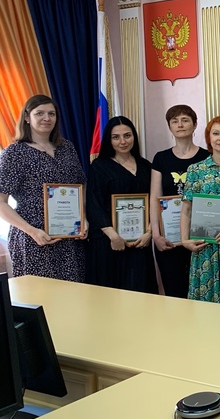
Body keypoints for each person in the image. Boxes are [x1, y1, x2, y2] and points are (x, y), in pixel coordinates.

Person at [0, 95, 86, 281]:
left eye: (51, 114)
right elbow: (1, 203)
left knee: (73, 293)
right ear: (27, 117)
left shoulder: (67, 148)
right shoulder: (14, 153)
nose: (47, 118)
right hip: (34, 239)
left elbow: (80, 186)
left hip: (69, 238)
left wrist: (83, 218)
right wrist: (32, 231)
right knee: (39, 295)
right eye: (39, 113)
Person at [86, 116, 157, 293]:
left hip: (140, 242)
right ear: (109, 140)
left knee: (141, 291)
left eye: (127, 135)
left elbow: (155, 201)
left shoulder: (146, 166)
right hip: (109, 243)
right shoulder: (99, 166)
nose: (123, 141)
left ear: (134, 137)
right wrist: (113, 236)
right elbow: (94, 203)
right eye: (116, 137)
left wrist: (149, 232)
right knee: (112, 294)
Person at [149, 105, 209, 298]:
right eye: (174, 121)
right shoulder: (161, 158)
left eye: (185, 120)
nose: (180, 125)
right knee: (174, 293)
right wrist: (156, 235)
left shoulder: (206, 157)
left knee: (200, 292)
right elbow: (155, 198)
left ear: (195, 124)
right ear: (169, 126)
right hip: (169, 238)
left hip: (199, 236)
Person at [180, 116, 220, 304]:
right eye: (216, 133)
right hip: (204, 246)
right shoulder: (195, 170)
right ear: (209, 137)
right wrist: (185, 240)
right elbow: (186, 210)